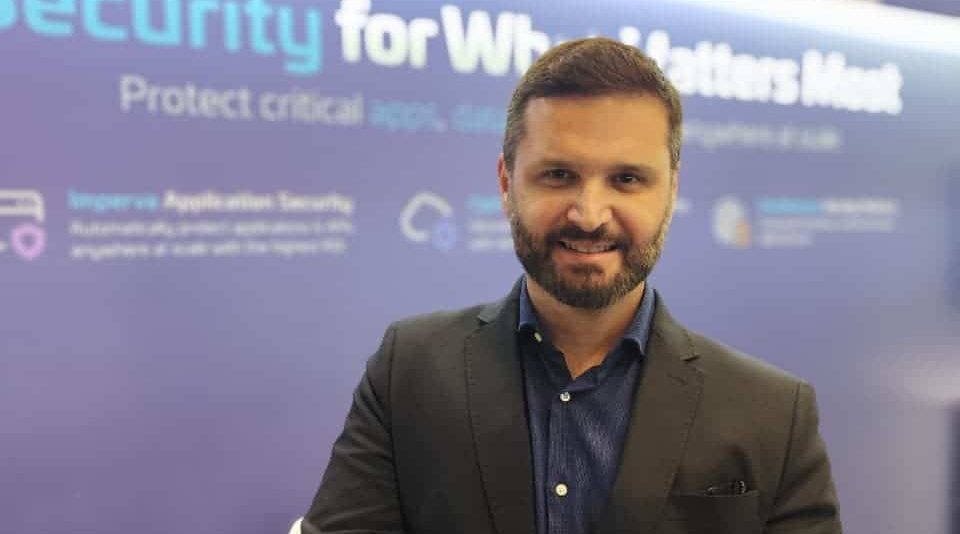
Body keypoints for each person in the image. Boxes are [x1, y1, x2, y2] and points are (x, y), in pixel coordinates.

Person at [301, 37, 842, 534]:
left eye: (626, 179)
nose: (589, 215)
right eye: (559, 175)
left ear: (671, 190)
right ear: (506, 183)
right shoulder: (408, 372)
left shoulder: (774, 413)